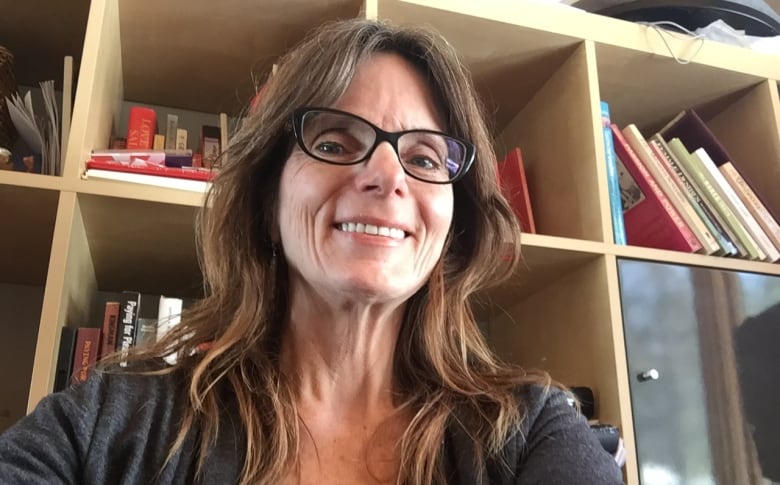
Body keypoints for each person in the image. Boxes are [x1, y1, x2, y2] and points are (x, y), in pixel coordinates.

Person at [0, 19, 623, 485]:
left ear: (453, 227)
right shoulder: (113, 421)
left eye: (426, 157)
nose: (388, 176)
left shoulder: (531, 432)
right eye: (334, 141)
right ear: (268, 200)